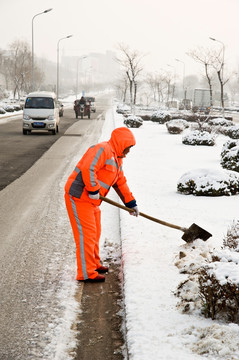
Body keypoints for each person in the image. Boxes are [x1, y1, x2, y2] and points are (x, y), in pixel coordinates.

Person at [65, 127, 139, 282]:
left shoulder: (117, 160)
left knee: (95, 233)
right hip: (79, 196)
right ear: (121, 143)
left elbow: (120, 183)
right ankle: (86, 274)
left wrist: (131, 203)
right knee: (87, 236)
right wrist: (93, 189)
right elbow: (88, 168)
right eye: (128, 148)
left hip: (92, 200)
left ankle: (94, 264)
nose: (128, 152)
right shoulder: (102, 149)